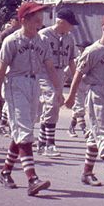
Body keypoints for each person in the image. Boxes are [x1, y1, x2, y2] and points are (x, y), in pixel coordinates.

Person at [0, 1, 59, 196]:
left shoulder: (42, 41)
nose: (39, 23)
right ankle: (32, 179)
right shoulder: (11, 41)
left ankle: (5, 172)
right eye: (35, 20)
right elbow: (0, 71)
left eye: (40, 20)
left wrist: (59, 91)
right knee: (25, 132)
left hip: (34, 84)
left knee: (21, 130)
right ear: (23, 20)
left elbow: (50, 67)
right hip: (15, 84)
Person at [65, 14, 104, 190]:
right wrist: (71, 96)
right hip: (96, 92)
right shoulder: (93, 50)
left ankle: (87, 173)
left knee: (96, 136)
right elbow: (78, 73)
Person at [37, 8, 78, 157]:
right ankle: (50, 144)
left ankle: (41, 143)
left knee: (54, 107)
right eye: (70, 24)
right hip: (44, 72)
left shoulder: (69, 37)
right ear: (60, 22)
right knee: (52, 101)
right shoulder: (44, 35)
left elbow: (72, 60)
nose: (71, 27)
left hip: (60, 72)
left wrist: (76, 80)